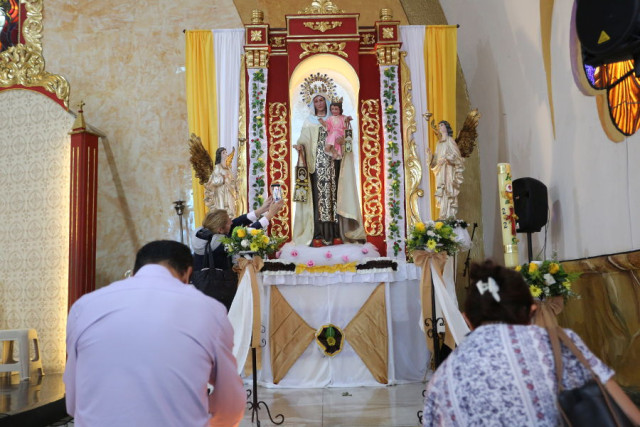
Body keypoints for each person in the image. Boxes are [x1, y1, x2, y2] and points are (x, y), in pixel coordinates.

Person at [422, 259, 640, 426]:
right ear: (532, 312)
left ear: (466, 319)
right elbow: (625, 410)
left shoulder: (442, 378)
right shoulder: (558, 343)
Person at [64, 240, 246, 427]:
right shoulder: (209, 310)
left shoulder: (84, 306)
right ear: (187, 275)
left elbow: (73, 401)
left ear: (134, 273)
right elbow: (230, 404)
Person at [293, 93, 365, 247]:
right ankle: (318, 233)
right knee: (319, 198)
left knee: (334, 195)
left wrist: (343, 140)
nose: (319, 103)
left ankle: (336, 233)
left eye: (321, 100)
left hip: (334, 163)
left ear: (327, 102)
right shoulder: (309, 122)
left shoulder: (336, 120)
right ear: (313, 104)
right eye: (316, 101)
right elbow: (303, 140)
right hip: (316, 167)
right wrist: (300, 147)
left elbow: (347, 139)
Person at [192, 196, 284, 271]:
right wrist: (270, 215)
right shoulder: (219, 244)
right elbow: (245, 236)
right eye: (228, 222)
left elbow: (236, 222)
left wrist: (261, 210)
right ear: (220, 230)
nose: (231, 223)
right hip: (217, 286)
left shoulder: (205, 231)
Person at [427, 120, 464, 219]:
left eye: (442, 125)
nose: (440, 127)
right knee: (442, 191)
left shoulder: (450, 140)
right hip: (440, 170)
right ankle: (443, 214)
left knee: (448, 190)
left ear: (446, 127)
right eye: (439, 126)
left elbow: (457, 156)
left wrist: (447, 159)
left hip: (448, 170)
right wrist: (430, 156)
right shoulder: (438, 144)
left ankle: (450, 214)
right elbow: (435, 160)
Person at [204, 147, 237, 216]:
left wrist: (234, 184)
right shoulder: (217, 167)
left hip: (229, 191)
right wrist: (223, 178)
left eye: (226, 152)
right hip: (221, 192)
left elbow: (232, 179)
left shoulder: (228, 168)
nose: (226, 154)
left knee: (231, 210)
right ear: (220, 155)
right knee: (223, 211)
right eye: (223, 153)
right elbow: (214, 181)